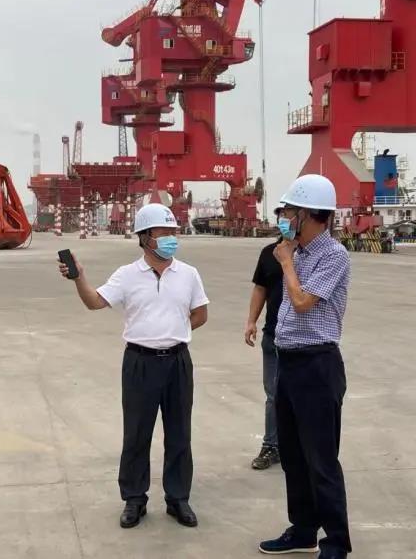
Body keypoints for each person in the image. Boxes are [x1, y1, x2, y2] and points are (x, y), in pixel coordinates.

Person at [58, 203, 209, 529]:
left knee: (179, 434)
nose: (171, 238)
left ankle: (178, 498)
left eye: (173, 232)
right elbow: (94, 302)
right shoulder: (127, 275)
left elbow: (201, 314)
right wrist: (79, 278)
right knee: (137, 434)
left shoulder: (188, 274)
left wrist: (173, 331)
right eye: (163, 232)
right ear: (145, 237)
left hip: (178, 362)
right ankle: (134, 499)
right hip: (140, 362)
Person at [258, 175, 352, 559]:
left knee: (321, 459)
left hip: (317, 364)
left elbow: (301, 302)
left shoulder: (333, 255)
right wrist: (289, 258)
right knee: (294, 456)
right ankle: (303, 530)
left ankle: (336, 542)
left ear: (311, 214)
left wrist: (286, 263)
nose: (284, 219)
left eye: (289, 212)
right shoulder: (296, 252)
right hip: (289, 362)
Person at [245, 207, 284, 471]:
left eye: (290, 214)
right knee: (273, 394)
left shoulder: (308, 255)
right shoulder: (269, 253)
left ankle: (300, 447)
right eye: (282, 216)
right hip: (273, 336)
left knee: (302, 396)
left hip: (303, 341)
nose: (285, 220)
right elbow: (261, 288)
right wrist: (251, 321)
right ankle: (271, 445)